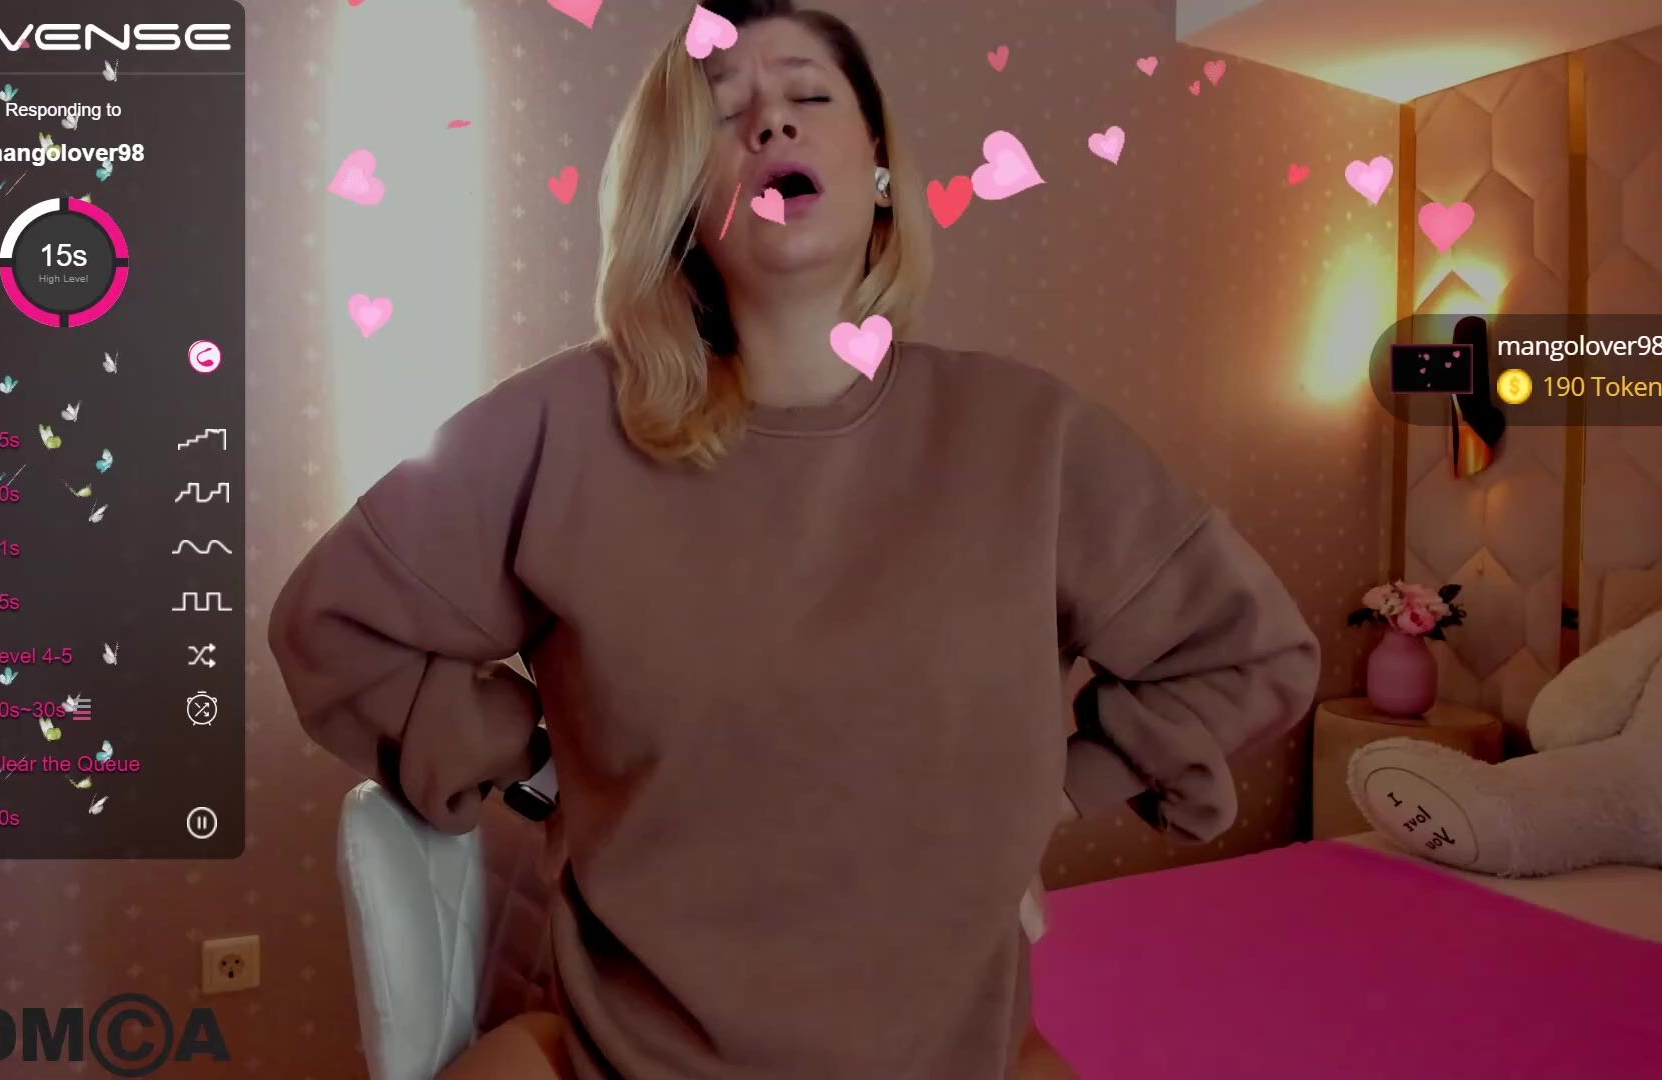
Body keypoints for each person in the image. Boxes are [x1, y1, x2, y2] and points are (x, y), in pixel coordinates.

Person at [267, 2, 1321, 1077]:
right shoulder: (560, 425)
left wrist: (1039, 791)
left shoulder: (1033, 435)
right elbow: (333, 628)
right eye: (725, 115)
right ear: (684, 198)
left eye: (810, 95)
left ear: (879, 168)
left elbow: (1252, 656)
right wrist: (537, 763)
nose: (772, 122)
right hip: (628, 1057)